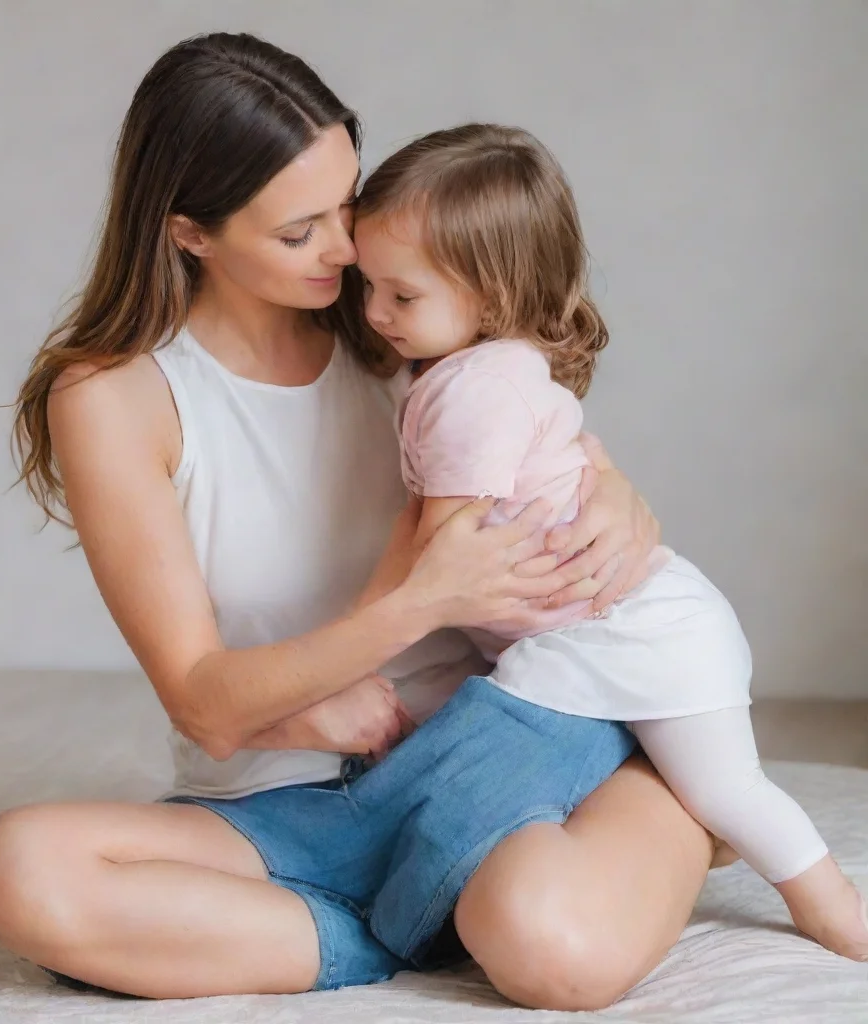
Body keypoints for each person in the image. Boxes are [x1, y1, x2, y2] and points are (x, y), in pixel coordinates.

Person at [0, 34, 716, 1010]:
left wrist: (618, 495)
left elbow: (545, 438)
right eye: (298, 232)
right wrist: (408, 611)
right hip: (274, 803)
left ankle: (675, 799)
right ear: (190, 232)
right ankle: (400, 921)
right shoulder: (114, 395)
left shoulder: (396, 322)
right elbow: (206, 706)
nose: (346, 249)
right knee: (18, 868)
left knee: (551, 951)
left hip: (480, 756)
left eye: (347, 206)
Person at [352, 122, 868, 962]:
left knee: (727, 787)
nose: (374, 312)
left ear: (491, 293)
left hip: (632, 631)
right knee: (698, 779)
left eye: (400, 296)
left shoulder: (475, 392)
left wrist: (356, 647)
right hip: (594, 632)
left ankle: (833, 904)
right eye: (366, 284)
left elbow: (442, 554)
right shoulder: (480, 367)